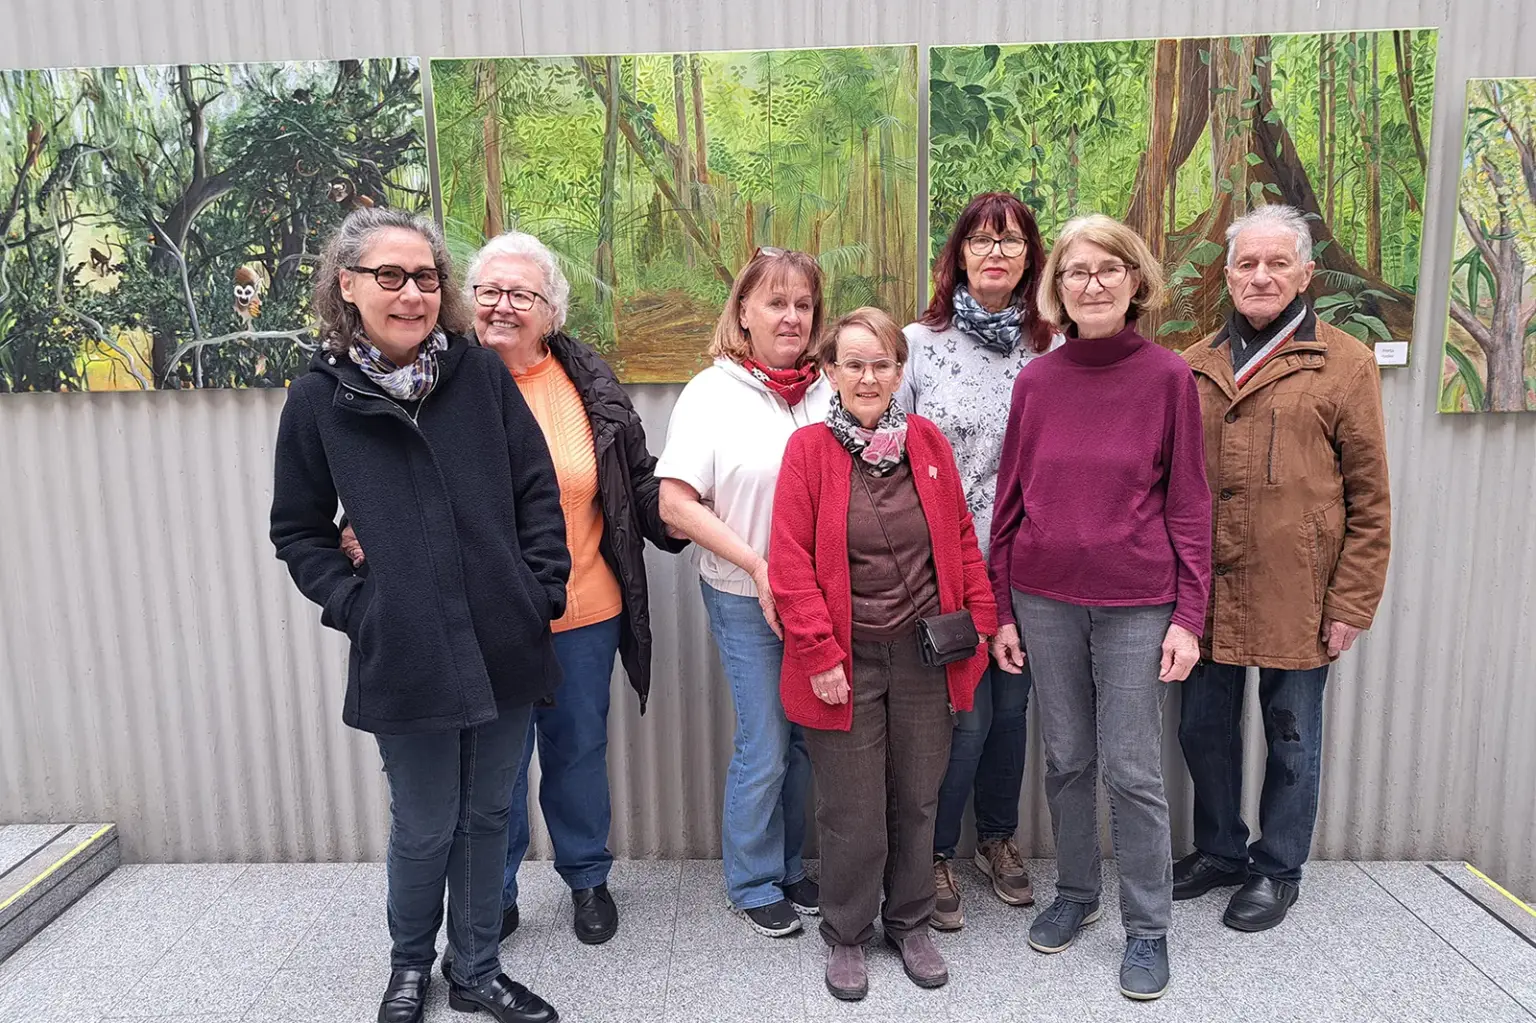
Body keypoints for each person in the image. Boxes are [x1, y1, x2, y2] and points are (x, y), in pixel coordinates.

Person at [342, 229, 689, 953]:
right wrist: (357, 534)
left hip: (585, 608)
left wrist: (686, 511)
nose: (502, 306)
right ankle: (490, 896)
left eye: (521, 295)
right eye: (489, 291)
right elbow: (389, 477)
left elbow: (633, 475)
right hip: (480, 618)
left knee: (577, 752)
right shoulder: (435, 382)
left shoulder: (586, 381)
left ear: (551, 310)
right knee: (489, 772)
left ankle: (587, 877)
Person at [270, 208, 563, 1023]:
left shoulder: (480, 376)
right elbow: (298, 530)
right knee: (426, 821)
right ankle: (409, 966)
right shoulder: (319, 398)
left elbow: (537, 491)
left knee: (490, 813)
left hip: (503, 639)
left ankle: (476, 968)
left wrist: (538, 591)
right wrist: (359, 606)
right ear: (348, 285)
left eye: (427, 277)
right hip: (405, 649)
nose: (412, 293)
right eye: (390, 276)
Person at [990, 214, 1211, 1001]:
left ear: (1134, 280)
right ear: (1058, 287)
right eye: (1076, 271)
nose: (1092, 284)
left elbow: (1190, 504)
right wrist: (1001, 609)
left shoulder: (1168, 378)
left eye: (1107, 269)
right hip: (1043, 597)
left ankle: (1147, 926)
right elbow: (1009, 501)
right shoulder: (1036, 382)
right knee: (1067, 757)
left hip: (1137, 601)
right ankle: (1078, 892)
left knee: (1132, 767)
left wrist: (1189, 616)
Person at [1174, 204, 1391, 932]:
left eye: (1277, 263)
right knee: (1203, 730)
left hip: (1299, 591)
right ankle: (1219, 850)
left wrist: (1352, 601)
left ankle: (1277, 867)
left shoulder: (1345, 363)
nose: (1261, 276)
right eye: (1247, 263)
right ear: (1228, 274)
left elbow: (1370, 497)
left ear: (1305, 273)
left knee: (1291, 736)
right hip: (1207, 590)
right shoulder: (1195, 365)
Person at [770, 307, 997, 1000]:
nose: (868, 377)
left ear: (900, 371)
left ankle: (911, 921)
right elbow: (789, 564)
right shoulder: (809, 450)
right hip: (847, 658)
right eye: (854, 364)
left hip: (925, 654)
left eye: (881, 364)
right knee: (852, 809)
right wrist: (819, 654)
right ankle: (847, 931)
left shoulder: (926, 442)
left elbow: (960, 538)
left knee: (919, 798)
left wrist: (982, 620)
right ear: (831, 372)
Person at [656, 247, 832, 937]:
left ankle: (787, 865)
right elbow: (675, 504)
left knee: (804, 741)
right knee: (766, 741)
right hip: (742, 593)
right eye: (775, 303)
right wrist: (760, 567)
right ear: (744, 312)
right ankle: (752, 879)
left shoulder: (827, 389)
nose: (791, 317)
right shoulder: (713, 392)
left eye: (803, 304)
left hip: (819, 600)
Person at [897, 192, 1055, 927]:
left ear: (1030, 258)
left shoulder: (1051, 347)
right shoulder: (918, 345)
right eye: (982, 240)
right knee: (964, 714)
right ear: (958, 253)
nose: (996, 253)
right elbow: (888, 450)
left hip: (1025, 562)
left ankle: (997, 837)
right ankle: (931, 850)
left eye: (1011, 241)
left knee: (1012, 710)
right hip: (944, 565)